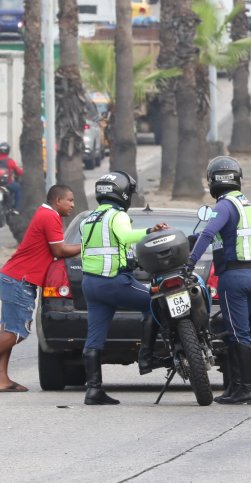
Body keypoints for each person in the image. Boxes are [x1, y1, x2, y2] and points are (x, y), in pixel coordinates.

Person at [0, 185, 81, 393]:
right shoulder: (49, 216)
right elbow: (60, 250)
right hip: (19, 279)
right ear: (58, 201)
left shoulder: (48, 214)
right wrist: (88, 246)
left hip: (14, 277)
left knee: (8, 329)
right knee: (18, 332)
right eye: (70, 200)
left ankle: (2, 379)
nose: (73, 204)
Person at [80, 171, 169, 405]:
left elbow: (109, 246)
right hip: (114, 282)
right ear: (122, 194)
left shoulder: (88, 219)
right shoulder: (115, 215)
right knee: (155, 301)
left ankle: (93, 390)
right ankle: (146, 357)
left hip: (91, 285)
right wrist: (151, 231)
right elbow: (126, 235)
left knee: (94, 338)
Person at [187, 156, 251, 405]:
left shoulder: (223, 206)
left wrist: (190, 262)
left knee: (239, 333)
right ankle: (234, 387)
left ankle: (247, 389)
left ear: (212, 181)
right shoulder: (243, 203)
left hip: (234, 277)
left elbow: (209, 233)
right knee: (234, 332)